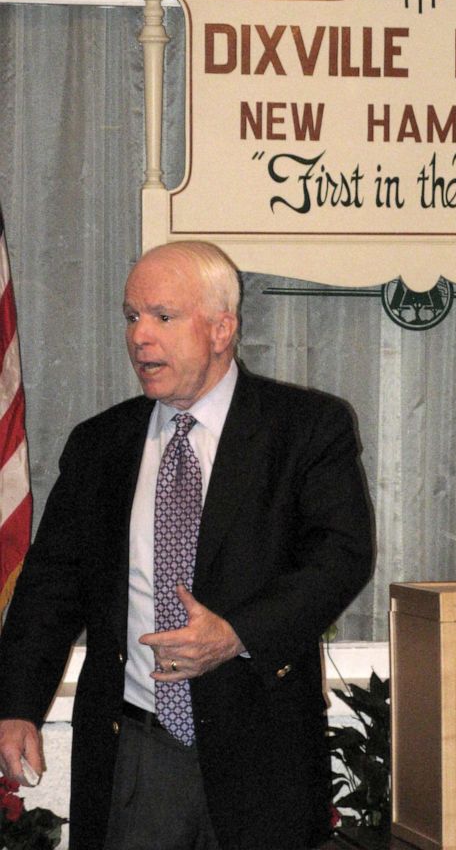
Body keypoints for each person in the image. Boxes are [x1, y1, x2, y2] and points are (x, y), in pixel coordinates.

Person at [0, 241, 374, 850]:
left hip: (261, 752)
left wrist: (236, 634)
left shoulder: (305, 427)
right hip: (135, 753)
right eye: (131, 317)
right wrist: (16, 705)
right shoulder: (101, 444)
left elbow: (340, 556)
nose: (140, 337)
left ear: (222, 328)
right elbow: (52, 585)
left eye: (162, 317)